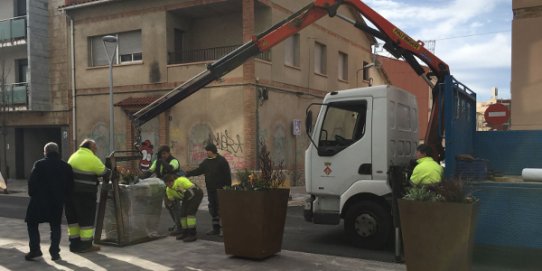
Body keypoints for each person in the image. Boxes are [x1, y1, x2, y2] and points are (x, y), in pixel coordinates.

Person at [24, 142, 74, 261]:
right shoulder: (66, 166)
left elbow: (32, 182)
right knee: (55, 226)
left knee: (32, 223)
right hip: (56, 202)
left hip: (38, 201)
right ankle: (55, 252)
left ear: (45, 152)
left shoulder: (39, 164)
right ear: (57, 152)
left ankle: (35, 249)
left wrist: (32, 194)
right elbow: (70, 186)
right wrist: (64, 199)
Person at [65, 138, 109, 253]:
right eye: (95, 147)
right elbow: (104, 172)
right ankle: (86, 245)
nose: (96, 149)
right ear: (89, 147)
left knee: (73, 220)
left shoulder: (73, 156)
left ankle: (74, 245)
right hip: (86, 195)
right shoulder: (91, 158)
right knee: (86, 220)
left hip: (70, 194)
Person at [186, 143, 231, 235]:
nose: (207, 153)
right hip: (210, 189)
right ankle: (215, 229)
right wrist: (188, 173)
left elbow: (227, 175)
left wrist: (227, 187)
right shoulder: (206, 162)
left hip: (220, 189)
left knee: (221, 209)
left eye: (208, 151)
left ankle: (224, 230)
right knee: (213, 209)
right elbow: (199, 170)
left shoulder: (222, 161)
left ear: (213, 151)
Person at [141, 145, 184, 236]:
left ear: (168, 153)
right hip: (164, 188)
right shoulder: (157, 161)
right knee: (169, 206)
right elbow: (150, 171)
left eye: (164, 154)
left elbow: (170, 168)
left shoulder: (174, 161)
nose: (163, 156)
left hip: (173, 188)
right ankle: (177, 224)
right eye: (161, 154)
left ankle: (180, 227)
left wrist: (163, 161)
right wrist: (140, 178)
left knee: (175, 206)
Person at [163, 174, 203, 242]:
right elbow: (171, 200)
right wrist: (170, 204)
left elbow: (192, 190)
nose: (168, 185)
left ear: (172, 181)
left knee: (190, 213)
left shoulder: (181, 180)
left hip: (196, 194)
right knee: (182, 214)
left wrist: (183, 190)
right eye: (166, 184)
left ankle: (192, 234)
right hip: (185, 198)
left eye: (169, 183)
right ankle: (185, 232)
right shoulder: (168, 190)